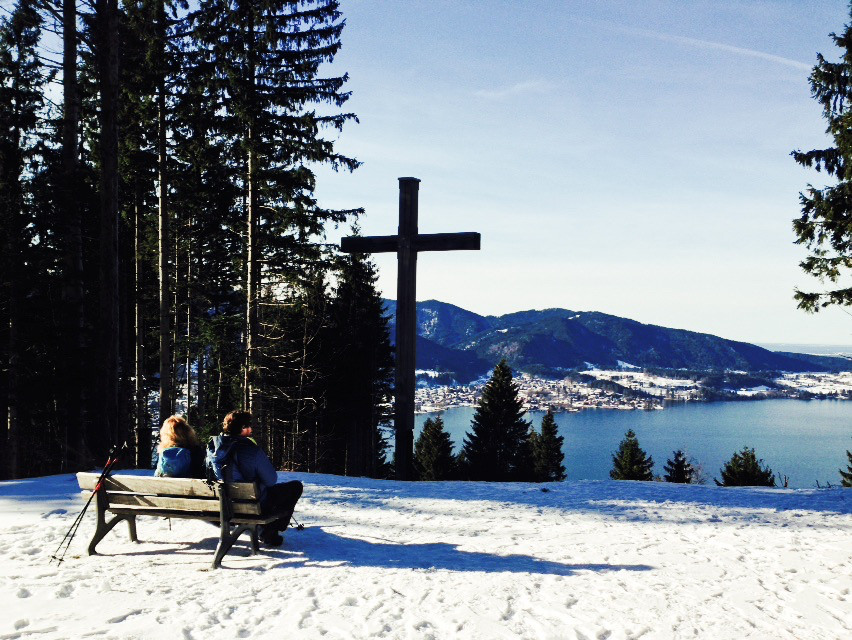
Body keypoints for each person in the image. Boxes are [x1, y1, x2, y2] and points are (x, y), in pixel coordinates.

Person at [206, 410, 303, 546]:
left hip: (221, 505)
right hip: (252, 504)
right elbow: (271, 480)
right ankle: (271, 529)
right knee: (295, 487)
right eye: (249, 426)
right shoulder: (251, 450)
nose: (251, 429)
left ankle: (267, 529)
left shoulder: (212, 449)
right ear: (242, 428)